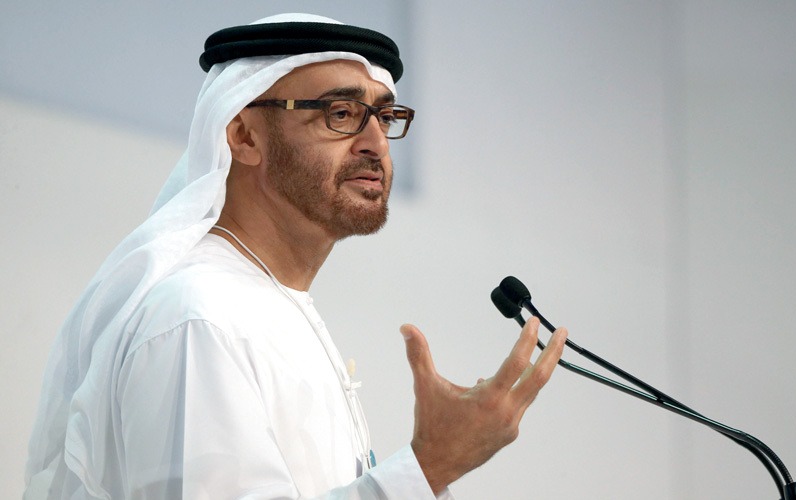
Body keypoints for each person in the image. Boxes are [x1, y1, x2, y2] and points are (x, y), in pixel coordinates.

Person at [24, 13, 567, 500]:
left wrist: (428, 473)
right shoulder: (201, 316)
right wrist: (428, 467)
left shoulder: (269, 305)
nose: (376, 144)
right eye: (340, 113)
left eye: (384, 117)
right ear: (244, 136)